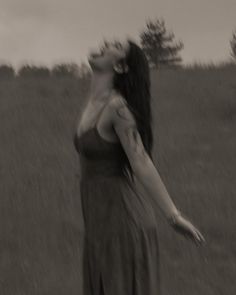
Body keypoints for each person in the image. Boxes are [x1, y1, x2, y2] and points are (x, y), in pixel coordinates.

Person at [73, 37, 206, 295]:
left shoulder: (117, 108)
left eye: (117, 46)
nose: (106, 42)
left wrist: (173, 216)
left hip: (123, 226)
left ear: (121, 67)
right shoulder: (93, 104)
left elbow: (141, 160)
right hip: (99, 226)